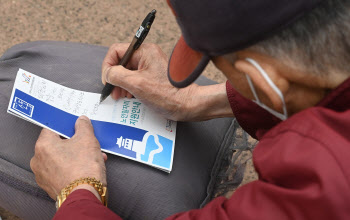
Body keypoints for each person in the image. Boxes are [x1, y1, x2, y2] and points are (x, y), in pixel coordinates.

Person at [30, 0, 350, 219]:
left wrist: (77, 189)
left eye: (220, 66)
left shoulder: (319, 189)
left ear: (265, 81)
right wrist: (195, 99)